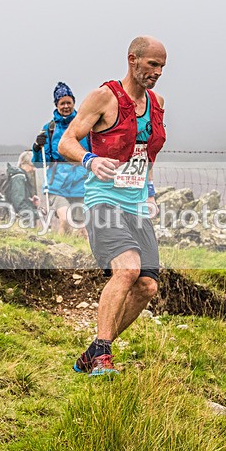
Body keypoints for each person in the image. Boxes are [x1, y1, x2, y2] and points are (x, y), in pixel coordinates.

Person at [58, 36, 167, 376]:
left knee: (147, 286)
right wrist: (89, 159)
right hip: (103, 200)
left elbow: (144, 155)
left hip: (136, 205)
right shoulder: (104, 97)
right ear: (132, 59)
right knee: (127, 270)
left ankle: (94, 350)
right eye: (152, 64)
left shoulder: (157, 103)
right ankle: (103, 358)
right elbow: (66, 142)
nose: (158, 72)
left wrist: (148, 192)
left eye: (163, 66)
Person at [32, 82, 90, 235]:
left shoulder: (84, 126)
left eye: (68, 102)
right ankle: (61, 248)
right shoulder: (49, 128)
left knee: (82, 227)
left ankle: (82, 255)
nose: (66, 106)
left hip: (81, 184)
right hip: (57, 185)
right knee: (64, 220)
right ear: (56, 105)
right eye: (62, 103)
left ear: (74, 103)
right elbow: (39, 163)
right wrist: (37, 147)